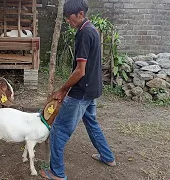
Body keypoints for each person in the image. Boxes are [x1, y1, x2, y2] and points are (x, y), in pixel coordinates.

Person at [40, 0, 116, 179]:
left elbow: (80, 71)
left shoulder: (84, 34)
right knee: (91, 122)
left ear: (80, 14)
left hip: (81, 91)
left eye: (69, 18)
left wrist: (63, 89)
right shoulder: (93, 30)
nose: (68, 21)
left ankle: (57, 173)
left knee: (59, 129)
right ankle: (108, 157)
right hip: (93, 90)